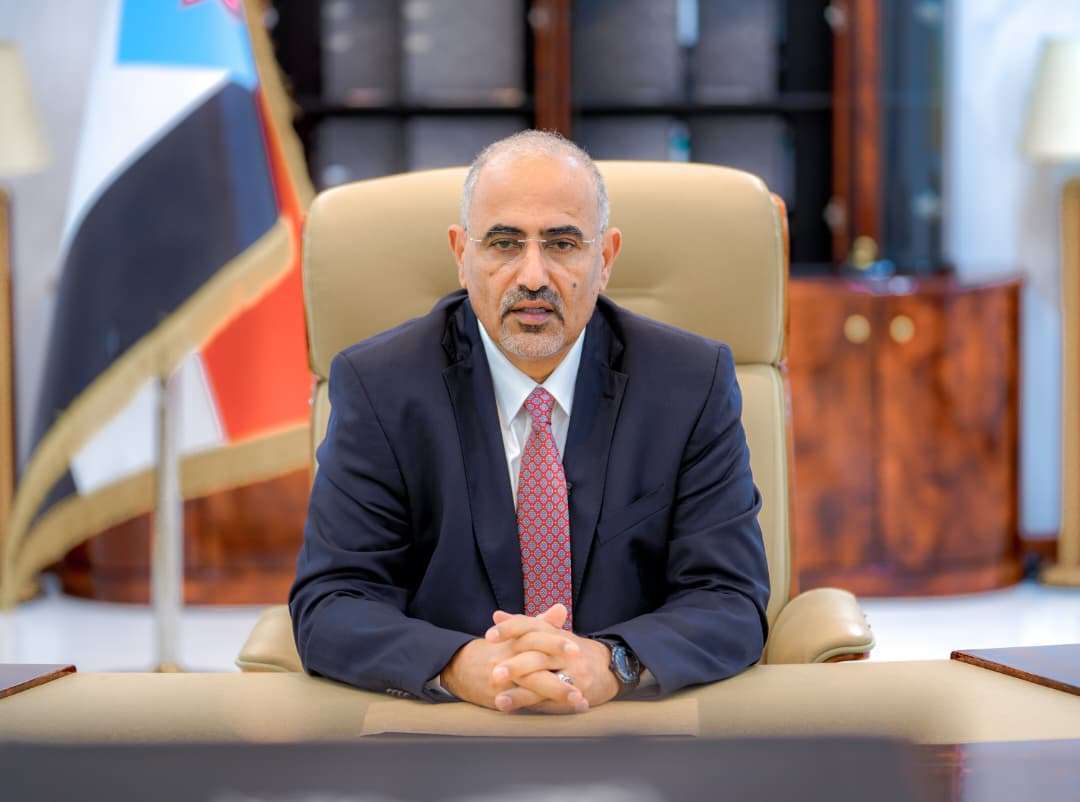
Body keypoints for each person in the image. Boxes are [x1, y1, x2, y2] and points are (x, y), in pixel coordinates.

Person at [290, 130, 770, 714]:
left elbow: (730, 599)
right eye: (503, 243)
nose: (533, 276)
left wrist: (613, 662)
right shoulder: (381, 387)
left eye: (563, 244)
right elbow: (332, 603)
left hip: (626, 728)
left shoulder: (689, 383)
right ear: (461, 255)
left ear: (606, 258)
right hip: (451, 734)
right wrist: (459, 665)